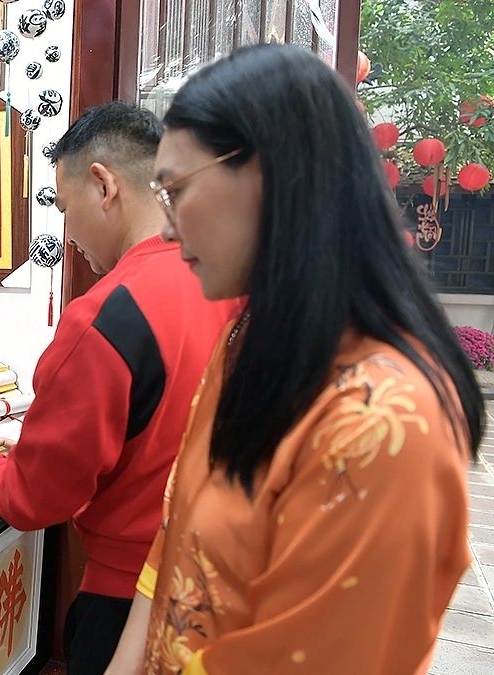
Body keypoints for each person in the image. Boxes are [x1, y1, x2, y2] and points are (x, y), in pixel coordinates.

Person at [105, 44, 482, 675]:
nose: (167, 230)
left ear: (272, 173)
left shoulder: (385, 422)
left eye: (174, 190)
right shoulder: (249, 341)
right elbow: (176, 544)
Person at [0, 102, 239, 674]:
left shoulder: (106, 319)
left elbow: (37, 497)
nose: (68, 236)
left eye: (64, 209)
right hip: (221, 581)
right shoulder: (227, 278)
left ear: (104, 185)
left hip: (129, 599)